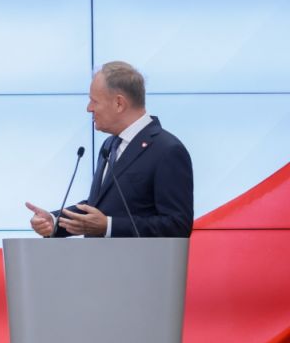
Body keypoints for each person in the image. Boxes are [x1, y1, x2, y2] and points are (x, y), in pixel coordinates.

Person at [26, 61, 194, 238]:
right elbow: (99, 207)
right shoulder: (110, 144)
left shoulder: (167, 150)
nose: (89, 108)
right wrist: (54, 221)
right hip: (100, 256)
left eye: (94, 101)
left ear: (119, 103)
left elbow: (177, 225)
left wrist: (109, 226)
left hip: (138, 257)